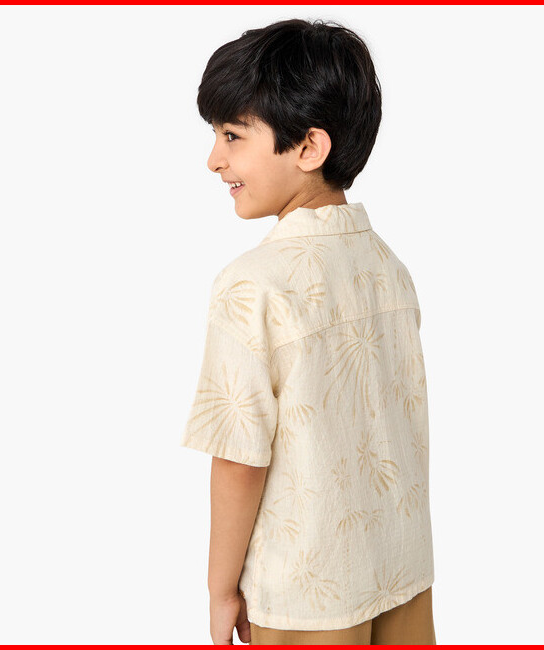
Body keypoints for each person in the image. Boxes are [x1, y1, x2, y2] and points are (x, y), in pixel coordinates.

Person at [181, 17, 436, 645]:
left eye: (232, 135)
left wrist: (220, 588)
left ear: (308, 148)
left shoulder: (252, 286)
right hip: (401, 571)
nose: (214, 160)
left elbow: (238, 459)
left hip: (307, 596)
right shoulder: (388, 269)